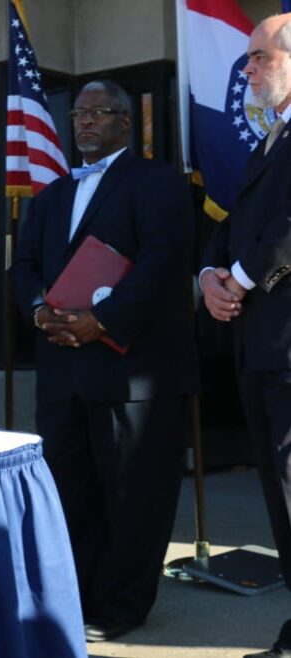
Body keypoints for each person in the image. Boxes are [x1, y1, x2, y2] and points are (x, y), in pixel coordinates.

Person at [11, 80, 198, 642]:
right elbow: (23, 268)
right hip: (64, 371)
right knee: (72, 491)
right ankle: (78, 597)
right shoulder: (49, 196)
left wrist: (107, 319)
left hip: (131, 370)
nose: (86, 121)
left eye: (99, 112)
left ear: (126, 121)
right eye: (80, 114)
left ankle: (122, 607)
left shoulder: (160, 182)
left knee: (134, 495)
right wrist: (40, 311)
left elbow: (163, 264)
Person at [199, 14, 291, 658]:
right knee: (280, 492)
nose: (249, 68)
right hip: (259, 345)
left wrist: (236, 277)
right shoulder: (270, 141)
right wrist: (208, 272)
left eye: (259, 56)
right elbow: (232, 226)